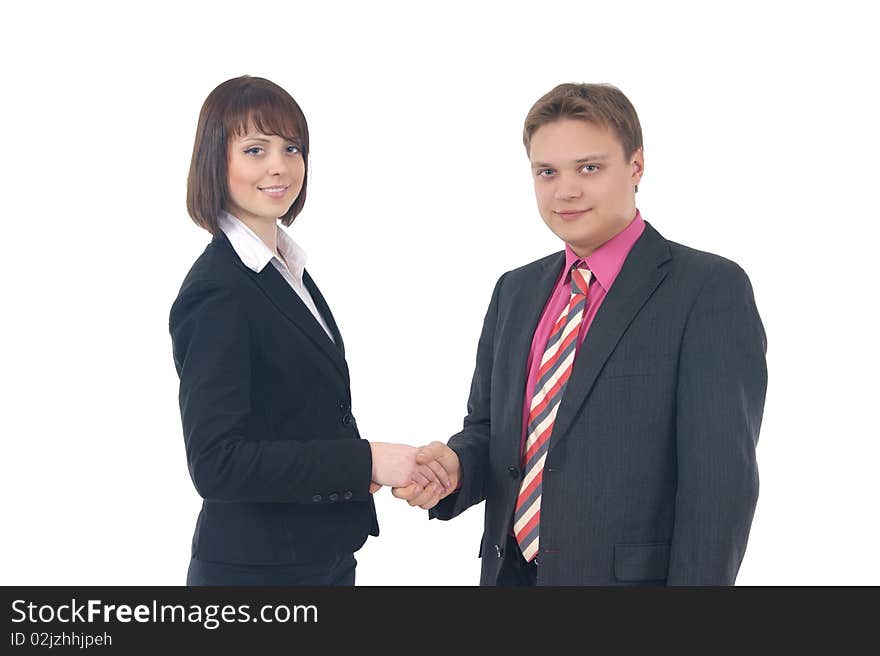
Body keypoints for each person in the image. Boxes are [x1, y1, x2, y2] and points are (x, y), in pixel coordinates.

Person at [393, 83, 768, 586]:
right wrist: (455, 466)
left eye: (588, 168)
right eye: (547, 172)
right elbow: (493, 432)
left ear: (636, 166)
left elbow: (719, 486)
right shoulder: (516, 290)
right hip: (511, 578)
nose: (564, 190)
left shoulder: (707, 290)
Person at [169, 75, 446, 586]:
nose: (279, 165)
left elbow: (300, 415)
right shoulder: (218, 289)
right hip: (258, 574)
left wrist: (368, 469)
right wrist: (365, 460)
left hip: (320, 558)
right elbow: (216, 463)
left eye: (291, 148)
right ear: (215, 161)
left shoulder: (286, 270)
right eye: (255, 149)